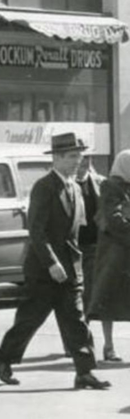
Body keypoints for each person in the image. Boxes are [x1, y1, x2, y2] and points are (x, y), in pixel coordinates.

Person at [0, 133, 110, 390]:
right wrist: (52, 263)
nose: (77, 161)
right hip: (45, 270)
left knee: (77, 321)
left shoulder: (75, 187)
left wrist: (75, 264)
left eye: (79, 156)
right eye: (71, 156)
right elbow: (36, 231)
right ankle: (3, 357)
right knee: (31, 318)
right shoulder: (44, 187)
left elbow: (76, 232)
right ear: (56, 158)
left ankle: (85, 372)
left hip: (70, 268)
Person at [88, 149, 130, 362]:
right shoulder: (110, 187)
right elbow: (113, 220)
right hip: (114, 252)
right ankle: (108, 345)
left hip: (125, 251)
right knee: (108, 300)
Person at [75, 155, 104, 314]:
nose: (85, 161)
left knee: (91, 292)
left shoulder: (100, 182)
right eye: (81, 158)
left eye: (88, 157)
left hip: (94, 245)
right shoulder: (67, 184)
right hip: (73, 246)